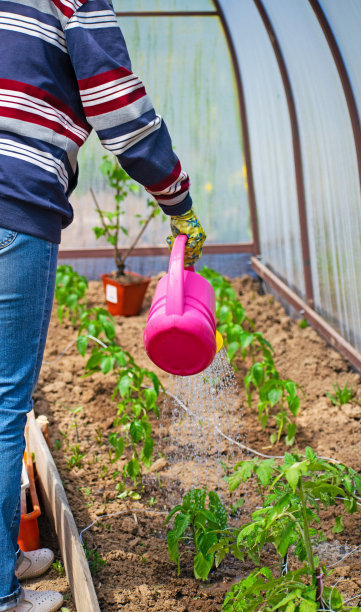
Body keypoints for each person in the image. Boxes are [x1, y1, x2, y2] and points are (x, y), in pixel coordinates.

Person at [0, 1, 206, 610]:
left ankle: (3, 559)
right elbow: (118, 106)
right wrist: (178, 201)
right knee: (6, 404)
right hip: (13, 207)